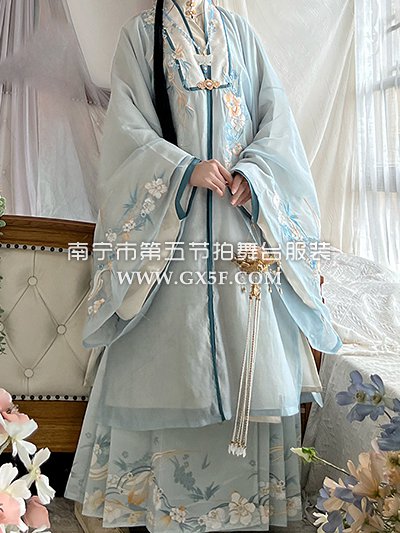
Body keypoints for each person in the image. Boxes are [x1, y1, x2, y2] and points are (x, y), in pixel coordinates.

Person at [64, 0, 342, 531]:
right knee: (167, 364)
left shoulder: (241, 35)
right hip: (171, 239)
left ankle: (242, 509)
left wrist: (254, 176)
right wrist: (183, 169)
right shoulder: (139, 36)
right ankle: (160, 506)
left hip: (240, 237)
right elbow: (127, 133)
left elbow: (277, 126)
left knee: (250, 366)